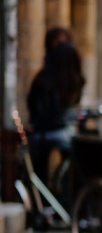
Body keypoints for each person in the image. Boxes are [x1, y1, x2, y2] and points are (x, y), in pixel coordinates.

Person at [26, 34, 85, 184]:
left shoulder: (43, 78)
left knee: (40, 171)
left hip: (42, 134)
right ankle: (66, 189)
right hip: (59, 133)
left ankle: (44, 195)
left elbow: (32, 105)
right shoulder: (72, 80)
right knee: (75, 153)